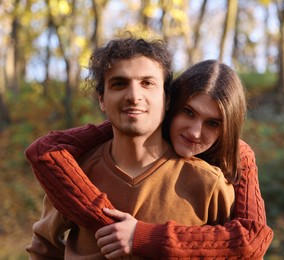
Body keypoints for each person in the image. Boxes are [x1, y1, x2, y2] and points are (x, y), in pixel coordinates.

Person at [26, 36, 238, 259]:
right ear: (101, 99)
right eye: (119, 84)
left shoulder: (209, 184)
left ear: (167, 99)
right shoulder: (73, 174)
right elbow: (43, 248)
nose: (134, 96)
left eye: (147, 83)